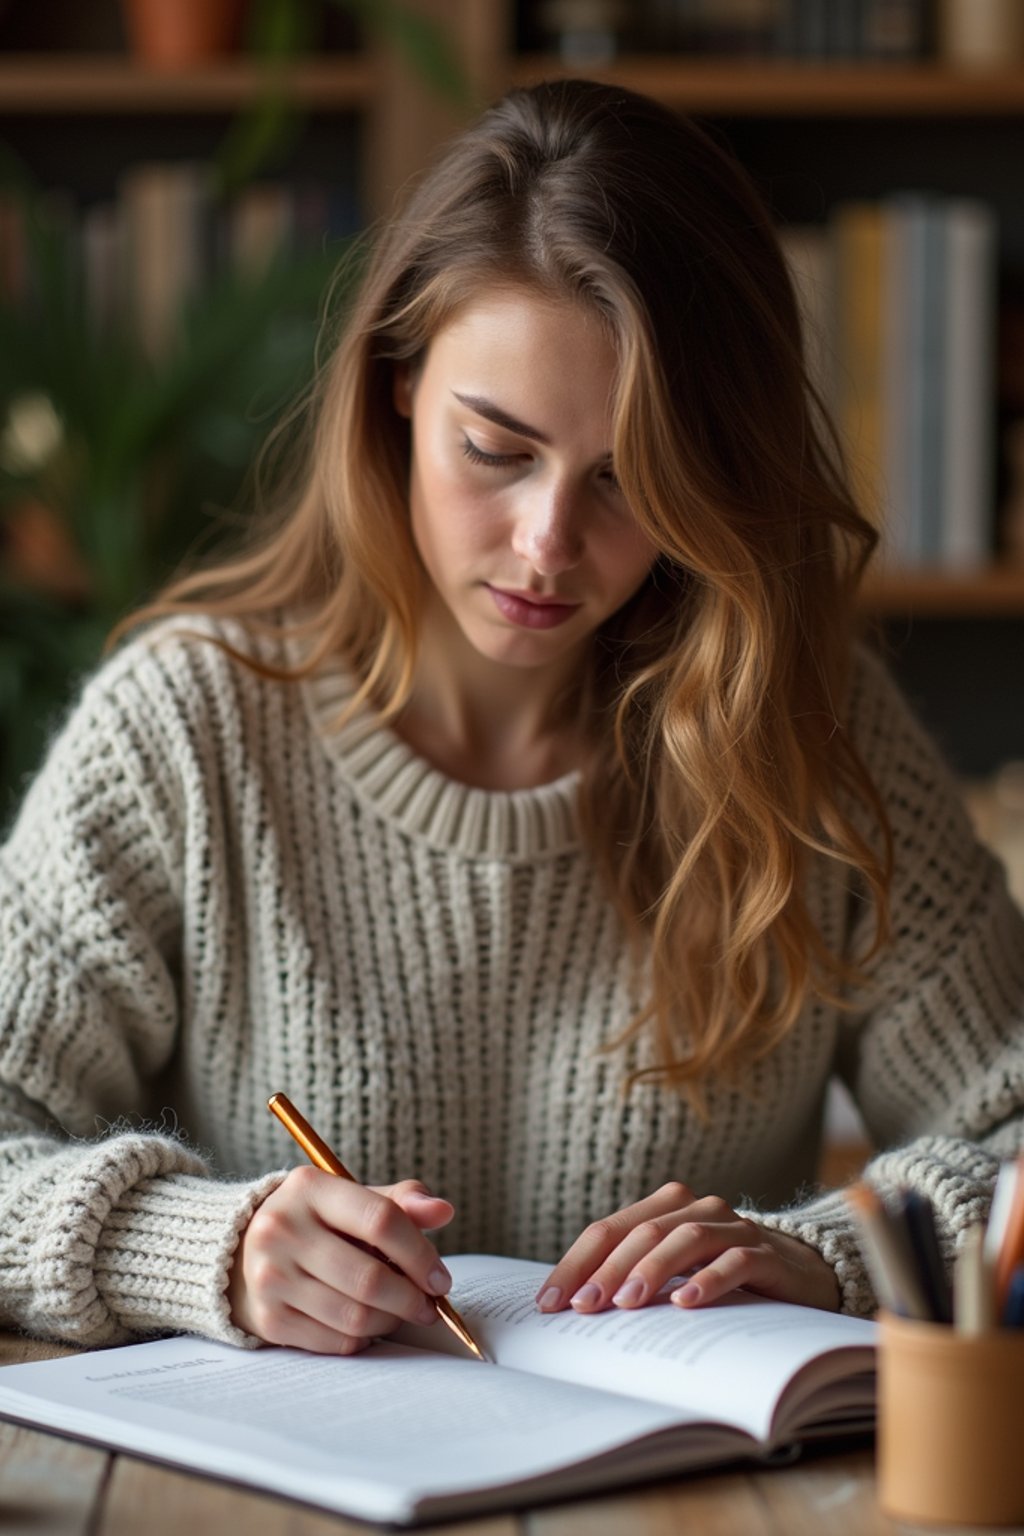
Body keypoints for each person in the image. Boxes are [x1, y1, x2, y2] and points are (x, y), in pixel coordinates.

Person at [1, 79, 1022, 1357]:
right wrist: (204, 1244)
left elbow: (1014, 1142)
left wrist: (825, 1259)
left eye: (630, 478)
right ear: (398, 386)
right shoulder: (188, 736)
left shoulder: (806, 737)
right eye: (496, 449)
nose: (547, 545)